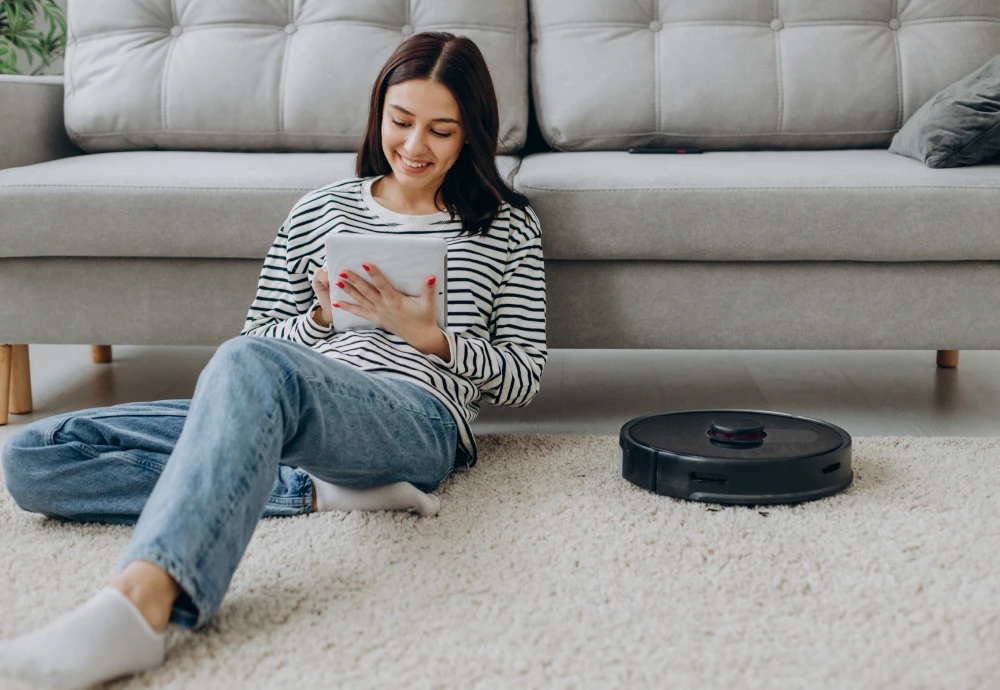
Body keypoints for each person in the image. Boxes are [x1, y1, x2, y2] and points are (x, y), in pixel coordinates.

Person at [0, 31, 546, 689]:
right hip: (287, 410)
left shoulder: (506, 225)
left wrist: (430, 338)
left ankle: (142, 605)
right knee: (33, 457)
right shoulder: (320, 210)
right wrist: (319, 318)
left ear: (471, 135)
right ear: (378, 115)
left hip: (414, 415)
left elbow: (524, 375)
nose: (413, 146)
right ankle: (316, 491)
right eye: (400, 122)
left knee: (249, 365)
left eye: (441, 131)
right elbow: (254, 341)